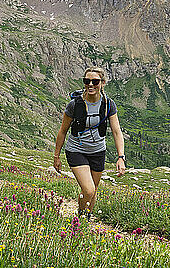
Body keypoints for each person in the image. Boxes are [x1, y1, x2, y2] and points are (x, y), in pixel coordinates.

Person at [53, 67, 125, 219]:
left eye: (95, 81)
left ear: (103, 83)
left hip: (98, 151)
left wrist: (121, 157)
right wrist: (56, 156)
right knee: (89, 190)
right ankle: (79, 218)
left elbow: (117, 131)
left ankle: (86, 219)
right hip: (76, 150)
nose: (90, 84)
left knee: (94, 189)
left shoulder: (108, 104)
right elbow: (63, 131)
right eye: (87, 81)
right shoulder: (74, 105)